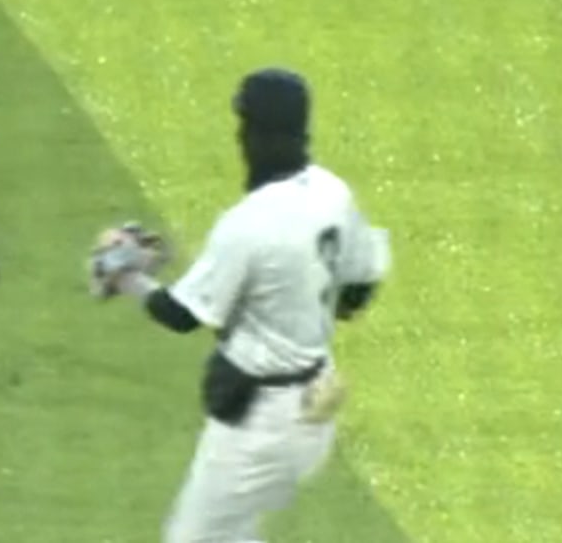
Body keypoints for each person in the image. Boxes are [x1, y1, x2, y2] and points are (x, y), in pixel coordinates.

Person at [94, 68, 392, 543]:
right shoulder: (331, 191)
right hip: (314, 406)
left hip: (260, 427)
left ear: (260, 134)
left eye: (246, 126)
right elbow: (361, 286)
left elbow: (181, 314)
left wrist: (127, 274)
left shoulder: (249, 224)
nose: (240, 138)